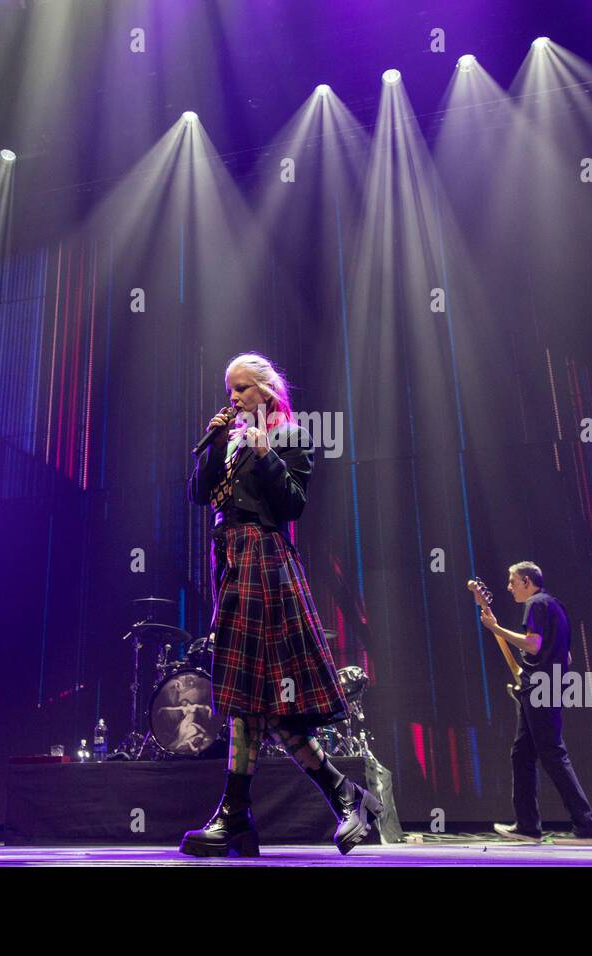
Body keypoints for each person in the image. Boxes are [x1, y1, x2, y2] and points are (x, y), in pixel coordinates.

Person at [182, 352, 381, 857]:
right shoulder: (228, 441)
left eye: (243, 389)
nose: (234, 398)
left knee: (252, 697)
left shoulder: (290, 436)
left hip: (264, 557)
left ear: (266, 392)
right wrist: (215, 445)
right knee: (256, 699)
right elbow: (199, 494)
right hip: (229, 559)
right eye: (230, 390)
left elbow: (292, 504)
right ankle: (340, 797)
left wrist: (266, 451)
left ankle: (238, 815)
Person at [479, 562, 592, 846]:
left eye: (512, 582)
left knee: (552, 754)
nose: (509, 588)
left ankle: (588, 828)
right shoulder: (554, 605)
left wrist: (496, 628)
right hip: (543, 686)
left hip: (541, 689)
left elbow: (533, 645)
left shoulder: (535, 604)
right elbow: (566, 656)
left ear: (526, 581)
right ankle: (527, 827)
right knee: (522, 754)